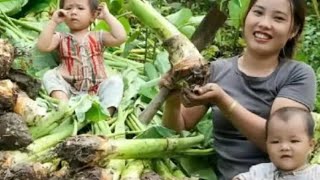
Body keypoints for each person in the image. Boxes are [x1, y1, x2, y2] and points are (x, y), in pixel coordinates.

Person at [160, 0, 316, 179]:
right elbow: (179, 127)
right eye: (258, 13)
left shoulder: (298, 75)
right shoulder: (217, 70)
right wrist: (172, 100)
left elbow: (284, 140)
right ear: (245, 18)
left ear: (293, 30)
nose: (264, 23)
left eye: (278, 18)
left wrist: (224, 102)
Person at [36, 0, 127, 116]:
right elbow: (43, 46)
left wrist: (107, 16)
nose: (73, 12)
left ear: (93, 15)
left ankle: (105, 114)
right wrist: (53, 22)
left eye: (80, 8)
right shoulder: (61, 37)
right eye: (68, 8)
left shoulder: (98, 36)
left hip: (97, 86)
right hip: (69, 86)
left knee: (116, 82)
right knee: (49, 76)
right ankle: (64, 107)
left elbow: (120, 37)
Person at [233, 107, 320, 179]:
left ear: (311, 145)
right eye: (275, 142)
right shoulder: (260, 172)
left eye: (294, 141)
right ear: (267, 144)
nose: (284, 147)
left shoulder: (316, 174)